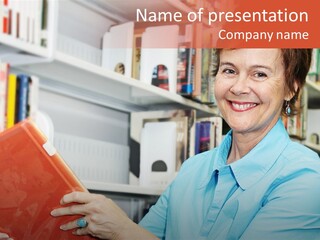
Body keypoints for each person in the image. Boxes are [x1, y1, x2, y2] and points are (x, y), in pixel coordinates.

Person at [1, 49, 320, 239]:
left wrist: (124, 230)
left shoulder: (306, 178)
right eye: (229, 70)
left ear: (292, 87)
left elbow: (131, 236)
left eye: (260, 74)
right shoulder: (194, 168)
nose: (238, 87)